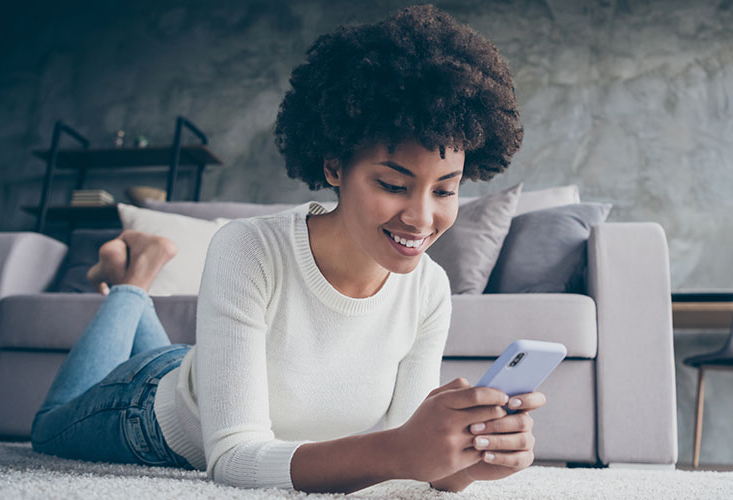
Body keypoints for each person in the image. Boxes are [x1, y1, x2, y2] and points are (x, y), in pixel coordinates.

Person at [30, 4, 541, 494]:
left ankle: (134, 270)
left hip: (216, 369)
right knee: (45, 429)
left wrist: (469, 461)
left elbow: (407, 459)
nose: (422, 218)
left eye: (445, 190)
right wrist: (402, 451)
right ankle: (131, 280)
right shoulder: (248, 248)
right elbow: (232, 460)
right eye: (392, 184)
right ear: (334, 166)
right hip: (146, 408)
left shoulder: (430, 288)